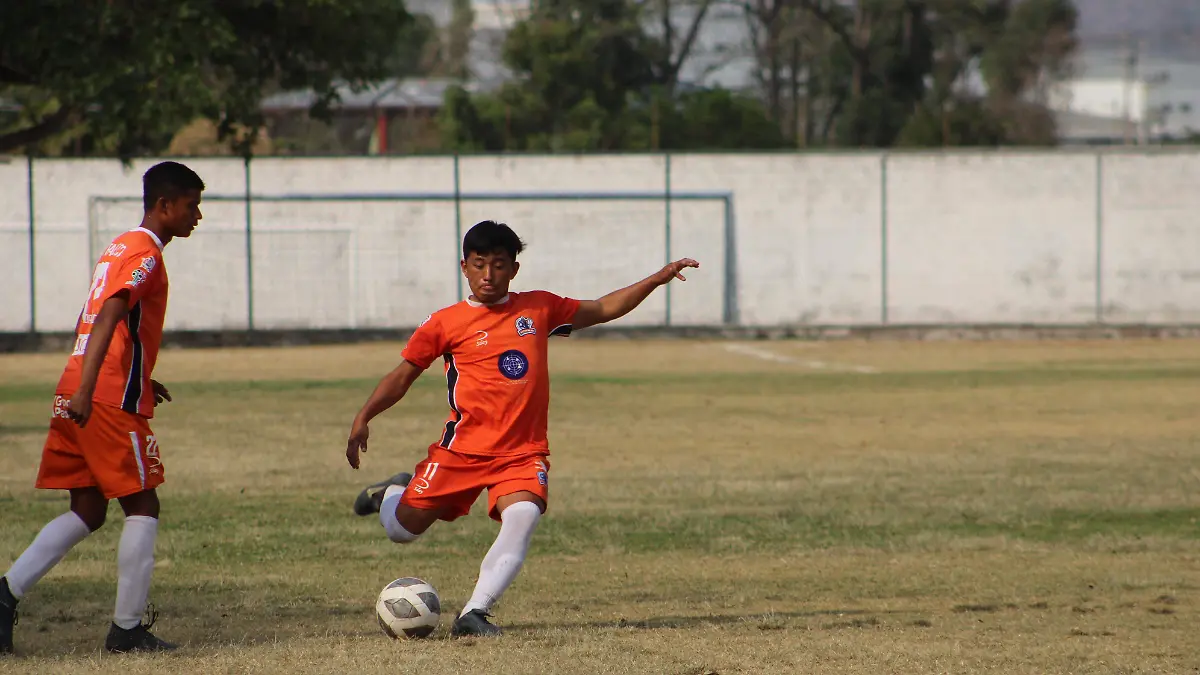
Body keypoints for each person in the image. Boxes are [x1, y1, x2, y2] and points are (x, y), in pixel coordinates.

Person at [346, 219, 698, 637]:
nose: (488, 276)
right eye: (479, 265)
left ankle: (474, 613)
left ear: (514, 269)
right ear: (464, 267)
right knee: (401, 531)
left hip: (522, 452)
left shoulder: (539, 308)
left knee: (524, 515)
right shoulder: (445, 322)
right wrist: (364, 416)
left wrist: (656, 279)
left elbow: (604, 308)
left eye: (498, 265)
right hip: (461, 452)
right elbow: (403, 375)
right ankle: (393, 492)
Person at [0, 161, 205, 655]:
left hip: (81, 384)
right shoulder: (146, 255)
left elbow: (99, 316)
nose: (197, 215)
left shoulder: (118, 244)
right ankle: (126, 630)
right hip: (100, 397)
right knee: (143, 504)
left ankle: (4, 594)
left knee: (89, 509)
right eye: (192, 205)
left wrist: (134, 377)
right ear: (165, 205)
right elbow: (112, 310)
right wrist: (94, 389)